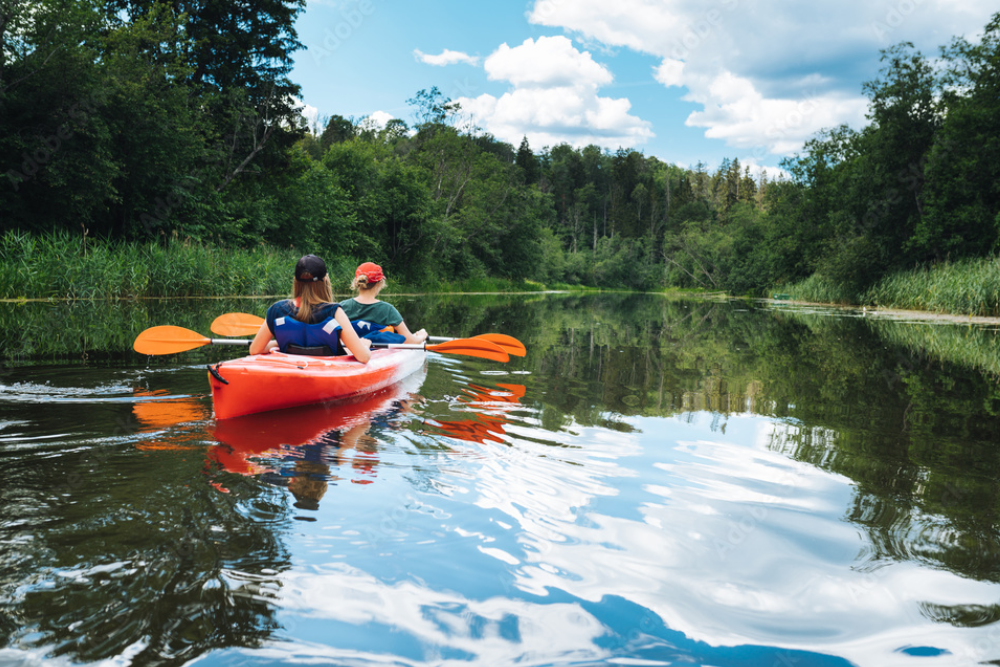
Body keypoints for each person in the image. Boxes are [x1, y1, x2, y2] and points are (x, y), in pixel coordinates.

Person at [249, 254, 372, 362]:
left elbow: (255, 350)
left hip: (292, 371)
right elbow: (363, 357)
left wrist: (277, 343)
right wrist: (365, 345)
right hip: (326, 375)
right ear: (325, 280)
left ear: (295, 281)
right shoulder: (334, 312)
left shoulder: (277, 309)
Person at [340, 262, 428, 344]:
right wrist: (421, 336)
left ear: (357, 283)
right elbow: (410, 341)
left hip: (348, 352)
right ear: (379, 284)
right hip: (377, 355)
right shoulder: (388, 310)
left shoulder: (342, 307)